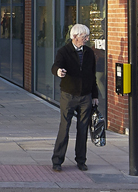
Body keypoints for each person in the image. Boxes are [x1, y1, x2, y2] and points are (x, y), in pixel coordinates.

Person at [51, 24, 99, 172]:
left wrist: (95, 95)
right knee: (64, 128)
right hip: (68, 95)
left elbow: (92, 75)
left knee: (83, 129)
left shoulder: (89, 53)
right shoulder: (64, 51)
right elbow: (55, 66)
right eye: (84, 37)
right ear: (75, 37)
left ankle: (81, 160)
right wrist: (59, 72)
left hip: (85, 96)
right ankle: (57, 161)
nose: (87, 39)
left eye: (87, 37)